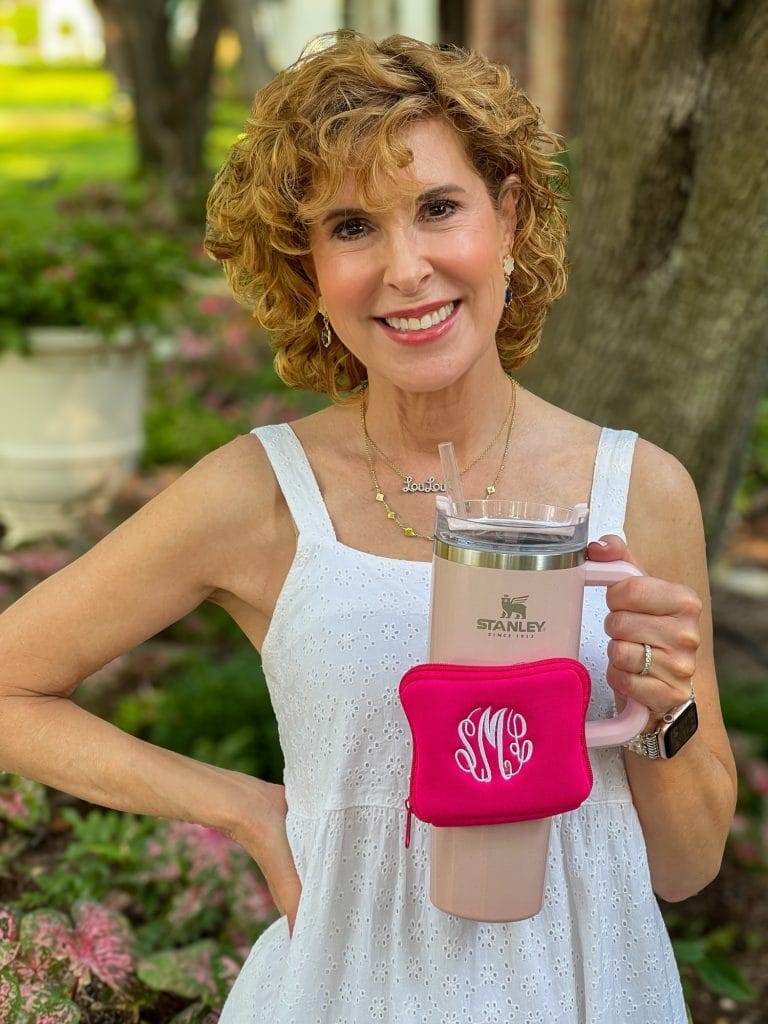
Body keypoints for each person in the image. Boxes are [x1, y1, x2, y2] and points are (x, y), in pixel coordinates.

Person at [0, 29, 736, 1024]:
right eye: (351, 227)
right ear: (306, 265)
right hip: (345, 991)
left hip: (589, 988)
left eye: (439, 208)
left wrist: (665, 706)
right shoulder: (260, 496)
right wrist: (245, 806)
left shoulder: (639, 490)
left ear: (507, 216)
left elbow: (687, 869)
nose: (406, 267)